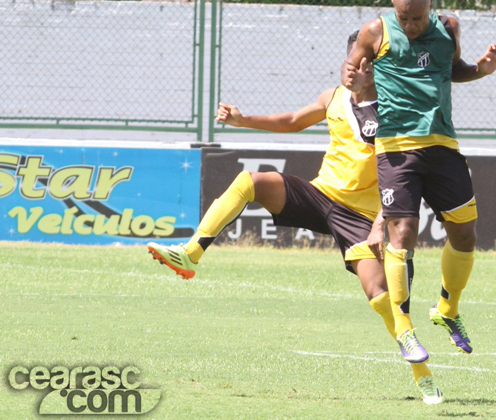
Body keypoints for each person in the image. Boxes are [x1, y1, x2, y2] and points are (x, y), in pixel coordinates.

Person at [146, 32, 444, 404]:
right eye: (349, 63)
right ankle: (191, 254)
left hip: (361, 215)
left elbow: (406, 175)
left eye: (362, 65)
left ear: (377, 68)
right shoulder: (333, 97)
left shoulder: (393, 110)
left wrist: (381, 221)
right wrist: (242, 120)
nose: (352, 70)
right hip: (320, 196)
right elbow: (291, 120)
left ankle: (422, 373)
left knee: (379, 294)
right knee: (251, 181)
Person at [342, 0, 496, 365]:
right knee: (402, 233)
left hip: (442, 143)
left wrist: (481, 70)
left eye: (417, 18)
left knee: (465, 234)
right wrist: (356, 81)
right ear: (394, 9)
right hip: (396, 147)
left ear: (431, 8)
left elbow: (452, 70)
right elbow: (350, 72)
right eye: (404, 18)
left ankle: (447, 309)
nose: (411, 25)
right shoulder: (375, 30)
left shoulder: (449, 27)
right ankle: (404, 329)